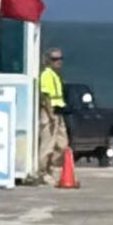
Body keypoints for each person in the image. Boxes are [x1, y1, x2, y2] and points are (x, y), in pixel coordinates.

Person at [38, 45, 71, 182]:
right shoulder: (46, 74)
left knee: (62, 144)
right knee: (48, 144)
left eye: (60, 58)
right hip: (50, 112)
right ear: (49, 60)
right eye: (55, 59)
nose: (58, 61)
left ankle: (50, 167)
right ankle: (43, 172)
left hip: (59, 111)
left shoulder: (56, 76)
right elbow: (45, 96)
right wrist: (50, 114)